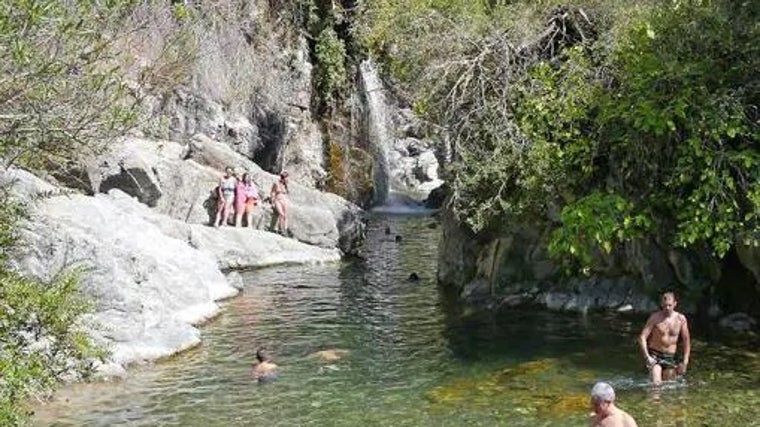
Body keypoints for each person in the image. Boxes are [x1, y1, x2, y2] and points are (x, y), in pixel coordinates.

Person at [638, 291, 691, 386]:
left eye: (670, 305)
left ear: (675, 304)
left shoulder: (681, 319)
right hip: (655, 355)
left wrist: (685, 362)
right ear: (661, 304)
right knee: (656, 385)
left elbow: (686, 341)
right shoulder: (655, 317)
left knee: (669, 387)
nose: (667, 308)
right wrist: (647, 357)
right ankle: (654, 400)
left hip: (670, 357)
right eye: (665, 305)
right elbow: (642, 337)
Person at [270, 171, 290, 236]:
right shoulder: (276, 183)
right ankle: (281, 229)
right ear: (283, 178)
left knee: (286, 215)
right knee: (281, 214)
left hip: (284, 199)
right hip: (278, 200)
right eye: (286, 178)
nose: (287, 179)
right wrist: (272, 201)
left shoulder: (286, 185)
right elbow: (272, 192)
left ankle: (285, 229)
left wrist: (286, 186)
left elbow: (288, 192)